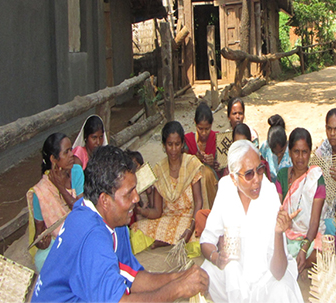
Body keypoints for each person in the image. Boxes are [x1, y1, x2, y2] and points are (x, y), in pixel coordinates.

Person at [32, 145, 209, 302]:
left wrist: (178, 278)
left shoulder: (114, 221)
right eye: (128, 194)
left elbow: (132, 277)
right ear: (105, 200)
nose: (136, 198)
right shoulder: (92, 237)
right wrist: (177, 289)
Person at [200, 140, 304, 303]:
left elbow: (278, 271)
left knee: (281, 289)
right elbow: (207, 240)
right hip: (235, 277)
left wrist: (278, 233)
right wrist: (216, 258)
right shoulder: (226, 187)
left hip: (265, 279)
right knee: (208, 272)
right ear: (234, 178)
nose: (257, 179)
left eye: (260, 170)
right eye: (249, 174)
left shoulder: (269, 194)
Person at [131, 122, 203, 251]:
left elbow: (198, 202)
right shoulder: (159, 169)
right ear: (164, 145)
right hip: (167, 219)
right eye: (170, 144)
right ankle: (171, 241)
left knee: (198, 237)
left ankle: (167, 241)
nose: (174, 149)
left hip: (189, 219)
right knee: (137, 230)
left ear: (182, 144)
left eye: (177, 144)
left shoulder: (191, 164)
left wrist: (190, 228)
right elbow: (158, 212)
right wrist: (141, 211)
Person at [26, 133, 84, 272]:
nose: (72, 154)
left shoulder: (76, 172)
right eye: (66, 152)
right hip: (57, 242)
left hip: (79, 233)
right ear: (53, 159)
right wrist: (42, 243)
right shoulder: (41, 192)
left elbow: (81, 211)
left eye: (71, 149)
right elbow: (39, 232)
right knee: (41, 259)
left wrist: (61, 188)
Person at [275, 128, 326, 274]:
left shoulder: (316, 178)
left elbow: (314, 222)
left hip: (309, 235)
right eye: (296, 151)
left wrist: (304, 248)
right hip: (286, 232)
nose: (300, 157)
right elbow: (277, 211)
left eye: (304, 152)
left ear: (310, 152)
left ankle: (296, 265)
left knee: (319, 254)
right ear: (289, 152)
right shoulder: (283, 175)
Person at [185, 102, 218, 209]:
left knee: (206, 174)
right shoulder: (187, 141)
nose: (204, 133)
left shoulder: (217, 139)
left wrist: (213, 163)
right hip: (192, 186)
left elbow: (224, 167)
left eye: (207, 129)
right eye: (200, 128)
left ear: (211, 125)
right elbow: (182, 165)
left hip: (212, 184)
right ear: (195, 123)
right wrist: (194, 159)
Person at [260, 114, 292, 183]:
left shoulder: (293, 151)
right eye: (274, 152)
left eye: (281, 151)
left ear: (286, 144)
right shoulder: (265, 147)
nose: (278, 155)